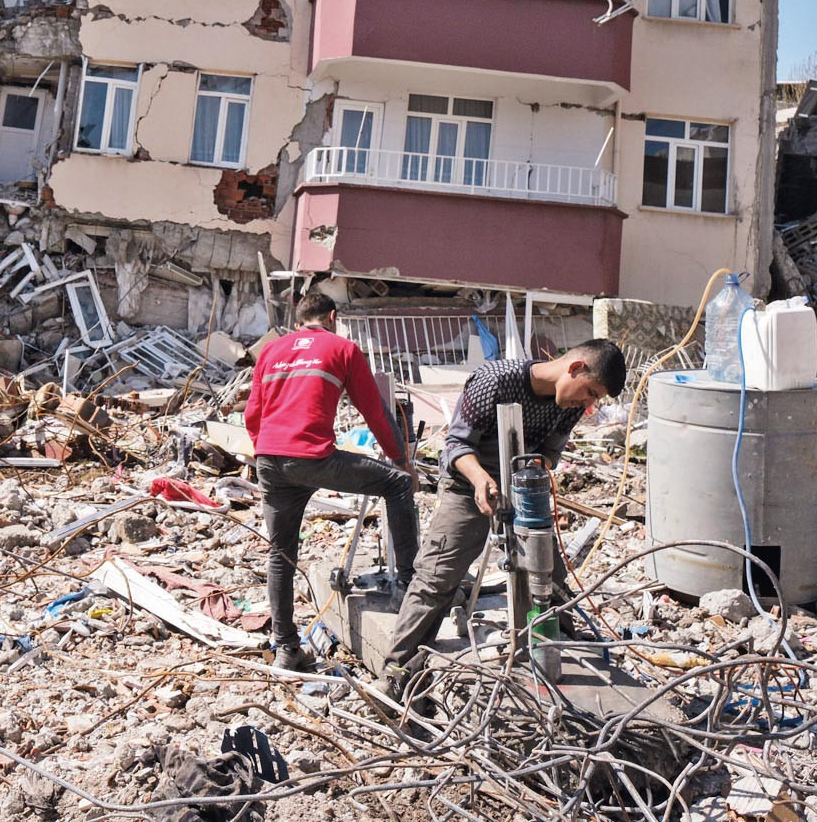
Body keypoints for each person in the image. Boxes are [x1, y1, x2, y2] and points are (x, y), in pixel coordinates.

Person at [379, 340, 626, 685]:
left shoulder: (568, 406)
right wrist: (481, 479)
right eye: (590, 393)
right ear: (575, 368)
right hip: (468, 485)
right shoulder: (495, 380)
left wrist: (534, 472)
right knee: (437, 576)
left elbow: (549, 454)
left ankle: (563, 649)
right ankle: (397, 671)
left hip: (522, 488)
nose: (588, 405)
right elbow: (457, 444)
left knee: (549, 575)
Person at [245, 291, 420, 672]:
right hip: (312, 457)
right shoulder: (342, 348)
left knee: (281, 554)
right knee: (397, 484)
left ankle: (287, 648)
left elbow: (252, 414)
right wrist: (401, 460)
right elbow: (374, 411)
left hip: (269, 458)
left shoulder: (271, 351)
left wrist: (267, 452)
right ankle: (409, 589)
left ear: (298, 322)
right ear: (333, 317)